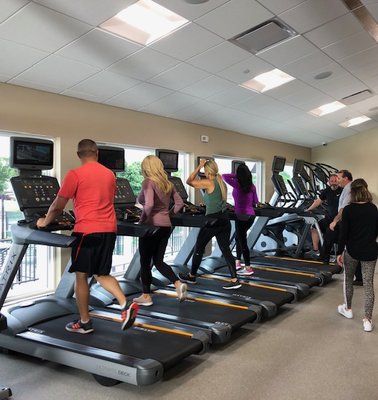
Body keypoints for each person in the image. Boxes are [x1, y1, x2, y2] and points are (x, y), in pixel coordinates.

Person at [37, 139, 139, 334]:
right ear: (97, 152)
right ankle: (125, 303)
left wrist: (44, 221)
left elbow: (58, 206)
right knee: (101, 274)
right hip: (109, 229)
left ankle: (85, 322)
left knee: (81, 276)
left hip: (87, 231)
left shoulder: (74, 174)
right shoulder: (109, 174)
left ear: (78, 155)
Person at [133, 155, 187, 306]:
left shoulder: (148, 182)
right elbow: (179, 203)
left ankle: (146, 296)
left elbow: (148, 205)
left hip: (150, 227)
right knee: (158, 261)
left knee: (145, 261)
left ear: (147, 168)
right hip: (165, 226)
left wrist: (143, 220)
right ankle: (177, 284)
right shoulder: (168, 183)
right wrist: (167, 215)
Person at [179, 159, 241, 290]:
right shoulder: (221, 182)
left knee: (199, 247)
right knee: (225, 250)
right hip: (224, 219)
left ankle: (192, 276)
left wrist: (199, 166)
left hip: (213, 221)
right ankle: (235, 279)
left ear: (207, 171)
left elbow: (189, 181)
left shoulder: (208, 182)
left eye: (204, 171)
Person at [336, 179, 378, 332]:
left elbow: (344, 234)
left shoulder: (348, 210)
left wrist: (339, 252)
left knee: (348, 280)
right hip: (370, 251)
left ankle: (347, 309)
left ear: (352, 192)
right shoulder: (373, 209)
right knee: (368, 286)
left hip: (352, 251)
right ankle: (367, 320)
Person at [222, 164, 259, 276]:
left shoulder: (237, 184)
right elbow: (255, 201)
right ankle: (238, 262)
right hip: (251, 216)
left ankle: (248, 268)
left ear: (239, 175)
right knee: (239, 237)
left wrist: (237, 175)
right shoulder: (252, 186)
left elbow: (224, 176)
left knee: (242, 241)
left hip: (241, 216)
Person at [320, 169, 353, 264]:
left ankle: (327, 258)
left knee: (331, 233)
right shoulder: (346, 189)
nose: (337, 180)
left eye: (338, 178)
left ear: (345, 178)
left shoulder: (348, 189)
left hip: (345, 220)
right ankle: (325, 258)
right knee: (330, 234)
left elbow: (343, 208)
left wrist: (335, 221)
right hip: (342, 220)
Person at [305, 174, 342, 257]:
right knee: (314, 227)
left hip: (339, 219)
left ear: (338, 181)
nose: (333, 183)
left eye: (335, 181)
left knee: (335, 234)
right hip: (329, 218)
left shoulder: (343, 191)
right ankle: (316, 250)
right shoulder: (326, 191)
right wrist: (309, 209)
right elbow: (318, 201)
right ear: (329, 182)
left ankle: (339, 253)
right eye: (331, 181)